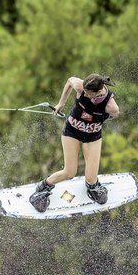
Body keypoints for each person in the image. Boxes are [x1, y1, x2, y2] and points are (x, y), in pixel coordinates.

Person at [29, 74, 120, 212]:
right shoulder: (80, 86)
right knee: (70, 172)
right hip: (72, 132)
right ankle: (43, 187)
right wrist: (61, 103)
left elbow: (113, 116)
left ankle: (92, 188)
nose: (86, 96)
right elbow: (69, 81)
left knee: (91, 179)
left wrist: (94, 122)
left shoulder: (111, 106)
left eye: (89, 95)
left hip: (93, 136)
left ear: (99, 91)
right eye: (84, 93)